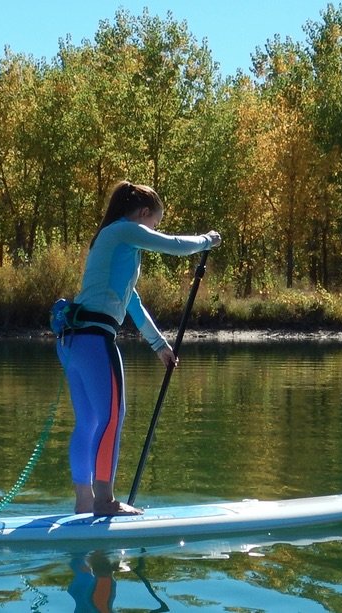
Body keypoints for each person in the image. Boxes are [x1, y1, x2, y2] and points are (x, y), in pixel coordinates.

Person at [58, 180, 222, 516]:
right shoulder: (123, 231)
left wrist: (159, 345)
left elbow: (131, 302)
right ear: (144, 213)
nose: (153, 231)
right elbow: (176, 246)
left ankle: (84, 501)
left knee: (89, 421)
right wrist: (207, 240)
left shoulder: (109, 243)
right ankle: (105, 502)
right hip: (95, 340)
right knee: (112, 417)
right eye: (155, 223)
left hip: (73, 341)